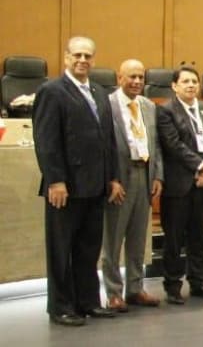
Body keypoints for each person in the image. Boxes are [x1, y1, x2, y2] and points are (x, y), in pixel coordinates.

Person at [33, 36, 121, 326]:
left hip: (96, 185)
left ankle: (87, 301)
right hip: (66, 187)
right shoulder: (52, 91)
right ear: (67, 57)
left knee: (88, 248)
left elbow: (108, 140)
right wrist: (55, 180)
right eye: (78, 55)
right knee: (61, 250)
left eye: (88, 56)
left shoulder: (98, 91)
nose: (83, 60)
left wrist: (113, 178)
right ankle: (60, 307)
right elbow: (47, 141)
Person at [154, 66, 203, 304]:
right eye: (186, 81)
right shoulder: (165, 111)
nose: (192, 85)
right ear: (175, 86)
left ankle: (198, 281)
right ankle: (172, 285)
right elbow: (173, 145)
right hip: (179, 183)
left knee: (198, 236)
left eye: (195, 81)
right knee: (174, 238)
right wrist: (202, 166)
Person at [101, 59, 164, 310]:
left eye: (140, 77)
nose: (137, 81)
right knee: (114, 239)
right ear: (119, 77)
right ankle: (113, 292)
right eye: (132, 77)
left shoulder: (148, 106)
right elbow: (104, 146)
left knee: (138, 239)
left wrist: (157, 175)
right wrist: (110, 179)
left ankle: (135, 288)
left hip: (144, 174)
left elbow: (156, 144)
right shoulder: (107, 105)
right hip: (120, 178)